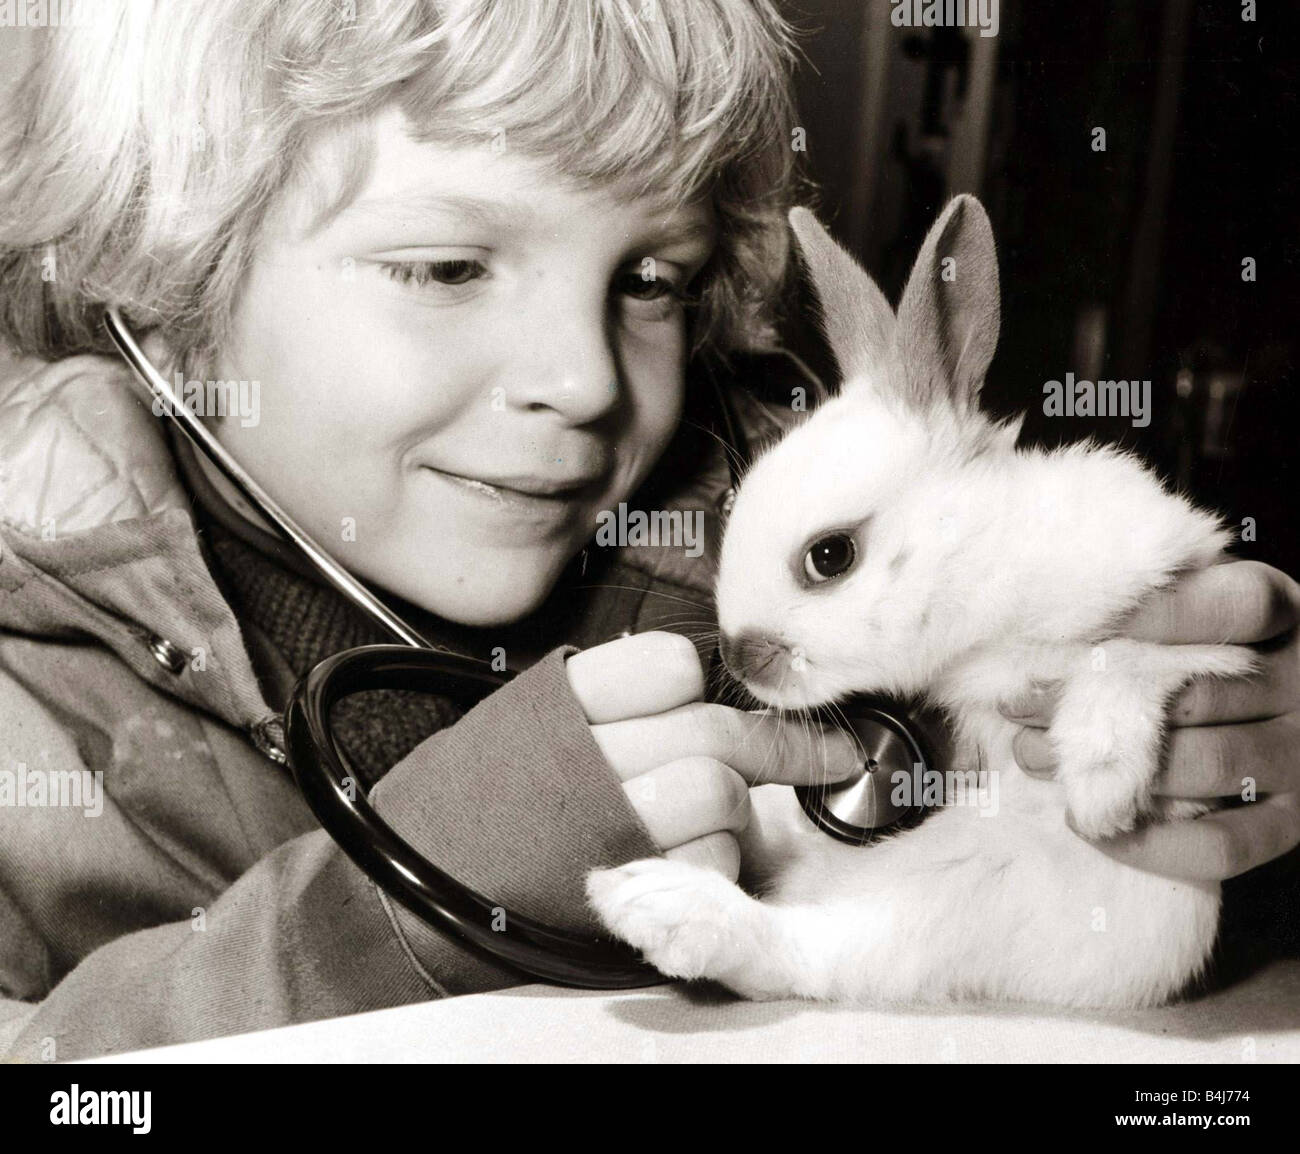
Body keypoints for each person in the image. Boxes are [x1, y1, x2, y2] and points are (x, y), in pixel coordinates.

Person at [0, 0, 1295, 1062]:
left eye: (651, 280)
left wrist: (1241, 787)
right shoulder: (34, 711)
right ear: (165, 279)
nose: (581, 374)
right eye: (448, 266)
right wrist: (381, 919)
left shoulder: (758, 523)